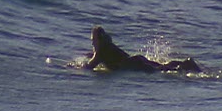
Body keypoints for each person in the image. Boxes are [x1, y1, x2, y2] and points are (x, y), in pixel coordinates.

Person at [72, 26, 202, 72]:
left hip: (133, 64)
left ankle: (185, 65)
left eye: (93, 39)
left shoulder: (100, 53)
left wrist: (75, 67)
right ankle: (185, 63)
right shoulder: (107, 47)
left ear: (99, 40)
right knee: (161, 66)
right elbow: (95, 57)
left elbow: (90, 67)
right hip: (135, 60)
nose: (92, 42)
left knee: (162, 70)